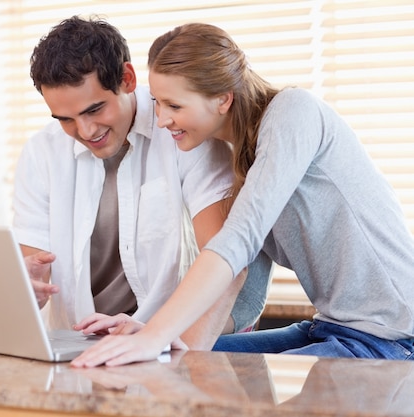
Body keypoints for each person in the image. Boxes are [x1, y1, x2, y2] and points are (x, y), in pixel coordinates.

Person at [71, 22, 414, 367]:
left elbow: (235, 243)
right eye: (157, 104)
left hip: (392, 338)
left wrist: (153, 336)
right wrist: (156, 335)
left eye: (174, 106)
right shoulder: (237, 157)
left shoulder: (293, 112)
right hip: (330, 328)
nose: (161, 120)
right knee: (169, 367)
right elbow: (244, 286)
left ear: (222, 98)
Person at [13, 16, 273, 349]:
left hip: (175, 340)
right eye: (66, 119)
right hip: (81, 347)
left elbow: (226, 260)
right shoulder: (41, 153)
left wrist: (171, 348)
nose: (85, 131)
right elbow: (35, 273)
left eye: (95, 109)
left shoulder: (184, 130)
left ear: (127, 78)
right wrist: (27, 291)